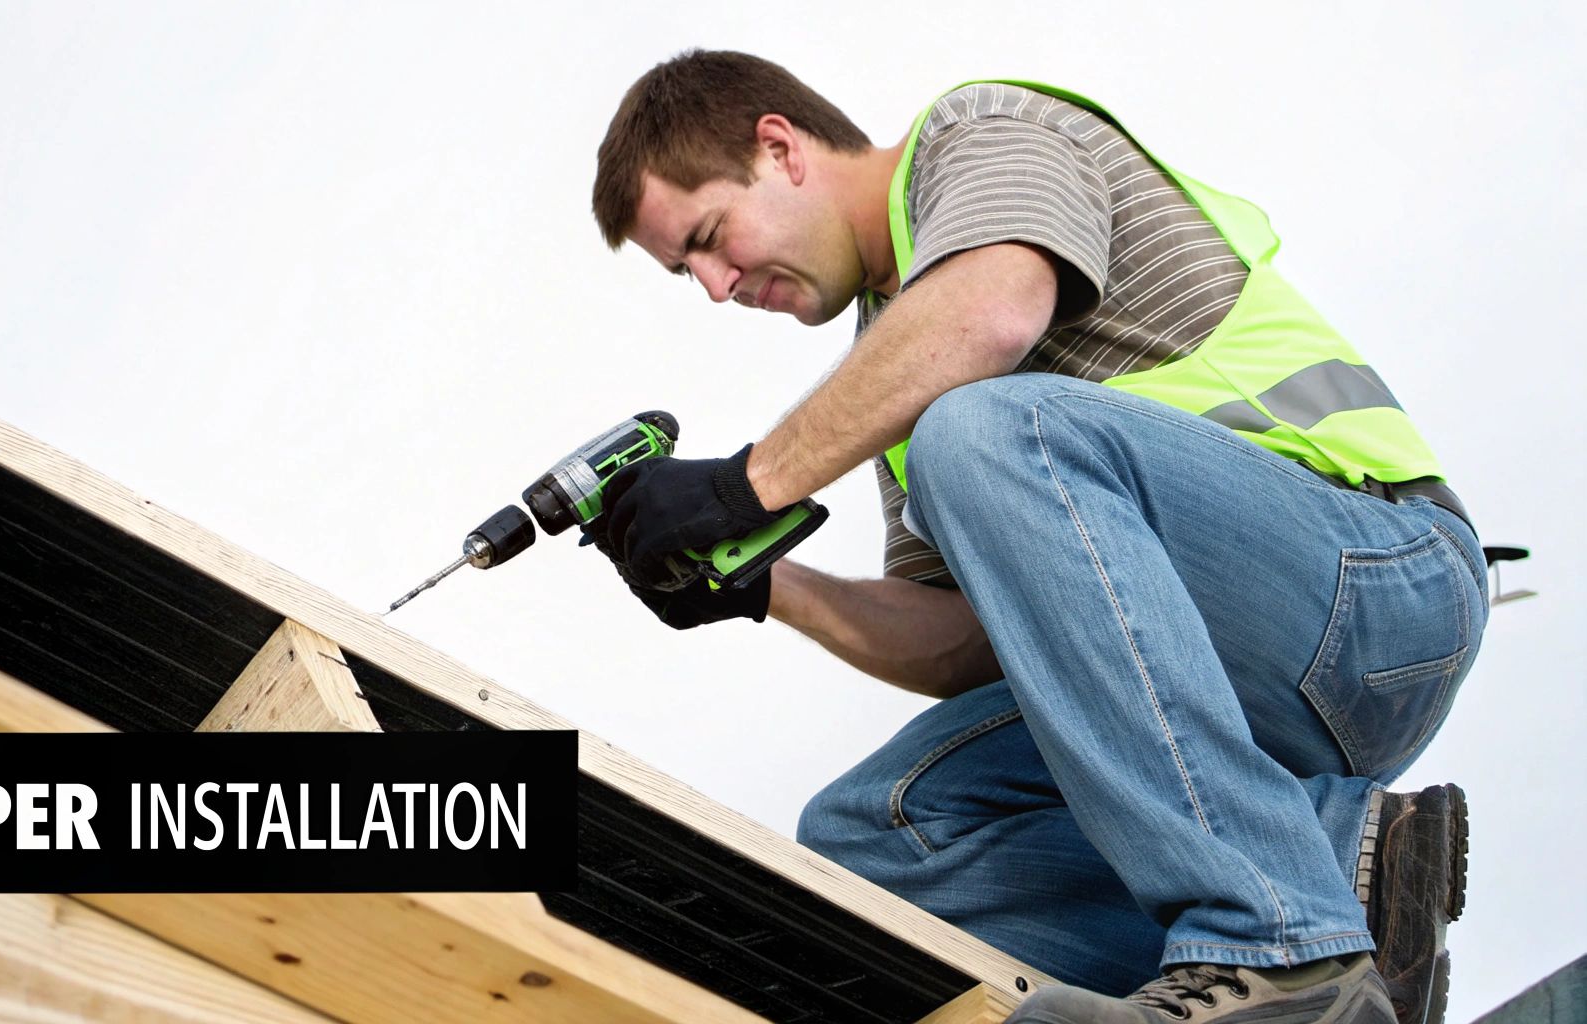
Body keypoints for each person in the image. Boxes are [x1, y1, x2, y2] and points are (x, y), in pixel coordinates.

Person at [587, 50, 1483, 1024]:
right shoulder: (895, 358)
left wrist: (742, 487)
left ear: (779, 146)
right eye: (689, 273)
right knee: (867, 840)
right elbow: (972, 639)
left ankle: (1276, 946)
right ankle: (1337, 882)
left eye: (709, 237)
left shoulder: (981, 133)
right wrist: (768, 585)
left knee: (978, 429)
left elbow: (991, 312)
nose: (717, 286)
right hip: (1229, 693)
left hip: (1378, 595)